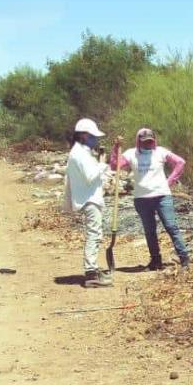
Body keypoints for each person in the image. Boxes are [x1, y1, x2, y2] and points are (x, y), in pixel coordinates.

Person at [110, 128, 190, 271]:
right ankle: (155, 261)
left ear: (153, 140)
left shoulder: (160, 152)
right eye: (144, 141)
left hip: (162, 196)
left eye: (150, 141)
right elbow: (115, 166)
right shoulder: (130, 154)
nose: (147, 144)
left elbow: (180, 162)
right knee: (149, 231)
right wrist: (116, 148)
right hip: (141, 199)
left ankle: (184, 259)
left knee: (171, 227)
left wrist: (169, 181)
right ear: (138, 141)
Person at [64, 118, 113, 288]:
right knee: (94, 234)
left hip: (88, 197)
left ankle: (92, 269)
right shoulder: (79, 153)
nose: (96, 139)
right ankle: (91, 272)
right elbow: (90, 175)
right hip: (89, 199)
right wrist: (101, 164)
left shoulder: (80, 152)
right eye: (93, 136)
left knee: (95, 233)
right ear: (84, 136)